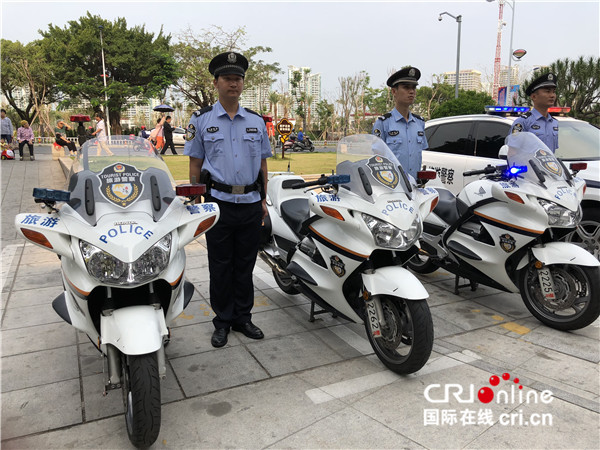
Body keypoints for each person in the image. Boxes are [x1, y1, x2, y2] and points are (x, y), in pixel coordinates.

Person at [184, 51, 272, 348]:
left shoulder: (256, 122)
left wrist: (263, 198)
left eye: (238, 79)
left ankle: (242, 318)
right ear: (216, 82)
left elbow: (262, 164)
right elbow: (195, 163)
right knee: (220, 266)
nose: (233, 84)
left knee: (245, 265)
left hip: (249, 203)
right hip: (217, 203)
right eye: (227, 79)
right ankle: (222, 321)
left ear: (242, 84)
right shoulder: (202, 120)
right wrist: (197, 199)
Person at [372, 66, 428, 178]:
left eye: (413, 88)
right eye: (406, 88)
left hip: (415, 186)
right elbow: (376, 158)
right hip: (393, 186)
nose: (411, 91)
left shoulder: (419, 123)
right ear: (394, 91)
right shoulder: (383, 123)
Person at [509, 72, 559, 152]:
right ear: (534, 96)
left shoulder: (554, 123)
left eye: (553, 91)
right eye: (547, 91)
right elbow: (513, 152)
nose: (552, 95)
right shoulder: (523, 122)